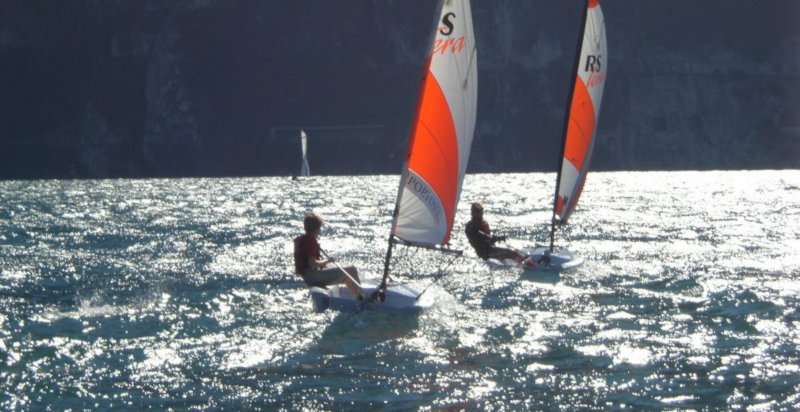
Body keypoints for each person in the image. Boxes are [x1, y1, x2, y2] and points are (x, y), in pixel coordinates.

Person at [293, 212, 363, 300]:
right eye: (319, 228)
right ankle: (363, 297)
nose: (320, 231)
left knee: (347, 279)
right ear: (316, 228)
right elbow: (313, 264)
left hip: (307, 278)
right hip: (313, 277)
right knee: (352, 270)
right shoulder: (310, 241)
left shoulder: (304, 240)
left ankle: (358, 298)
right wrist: (328, 260)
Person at [465, 202, 536, 266]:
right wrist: (496, 238)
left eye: (481, 211)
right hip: (486, 253)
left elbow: (487, 239)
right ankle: (532, 266)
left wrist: (497, 239)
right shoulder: (472, 226)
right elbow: (482, 238)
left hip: (489, 249)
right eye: (478, 212)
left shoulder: (480, 223)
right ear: (473, 213)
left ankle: (526, 262)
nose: (481, 213)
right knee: (513, 253)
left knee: (512, 251)